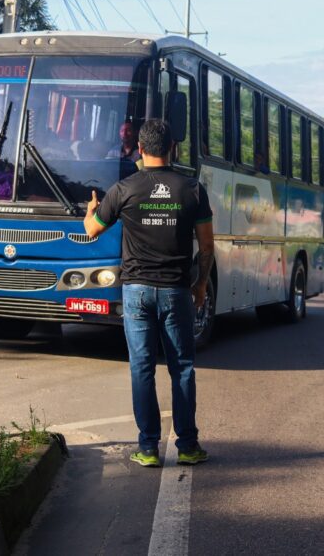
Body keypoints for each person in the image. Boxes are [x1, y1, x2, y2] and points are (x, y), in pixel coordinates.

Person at [84, 119, 213, 468]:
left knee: (142, 368)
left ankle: (148, 448)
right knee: (182, 368)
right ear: (173, 147)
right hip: (176, 291)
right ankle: (187, 446)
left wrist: (89, 213)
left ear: (139, 149)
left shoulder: (125, 188)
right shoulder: (193, 190)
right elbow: (206, 247)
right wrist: (200, 285)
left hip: (137, 291)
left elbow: (93, 231)